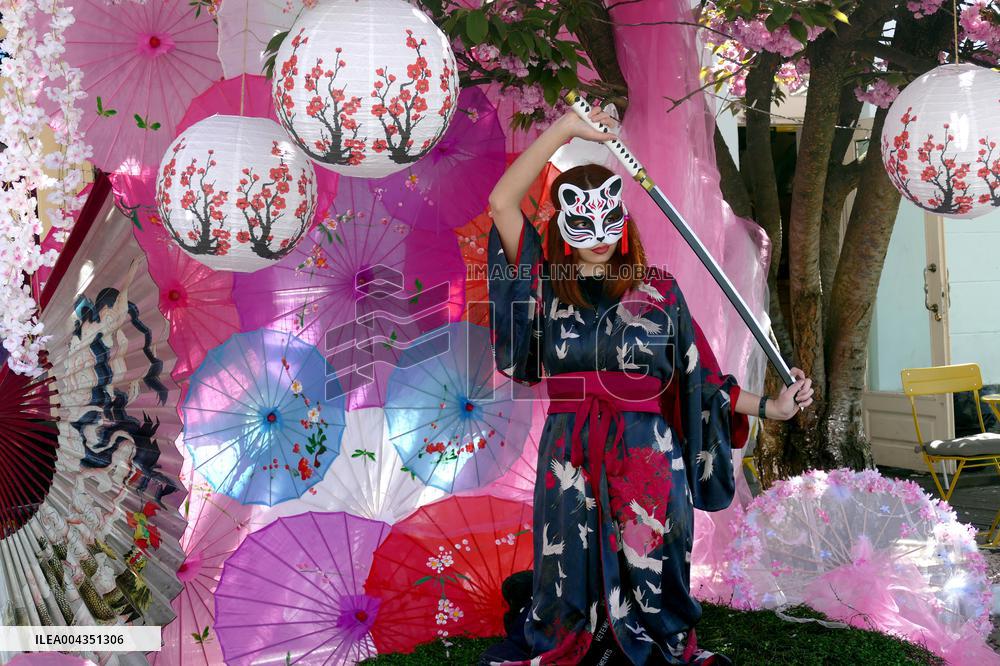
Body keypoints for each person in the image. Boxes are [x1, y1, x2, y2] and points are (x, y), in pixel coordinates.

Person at [483, 106, 814, 665]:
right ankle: (574, 636)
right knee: (569, 566)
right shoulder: (543, 283)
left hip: (647, 453)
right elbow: (501, 202)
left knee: (651, 564)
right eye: (581, 224)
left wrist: (773, 408)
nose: (598, 237)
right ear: (562, 227)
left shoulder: (659, 292)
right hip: (570, 450)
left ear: (623, 218)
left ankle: (650, 634)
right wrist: (566, 129)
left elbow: (703, 380)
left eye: (607, 221)